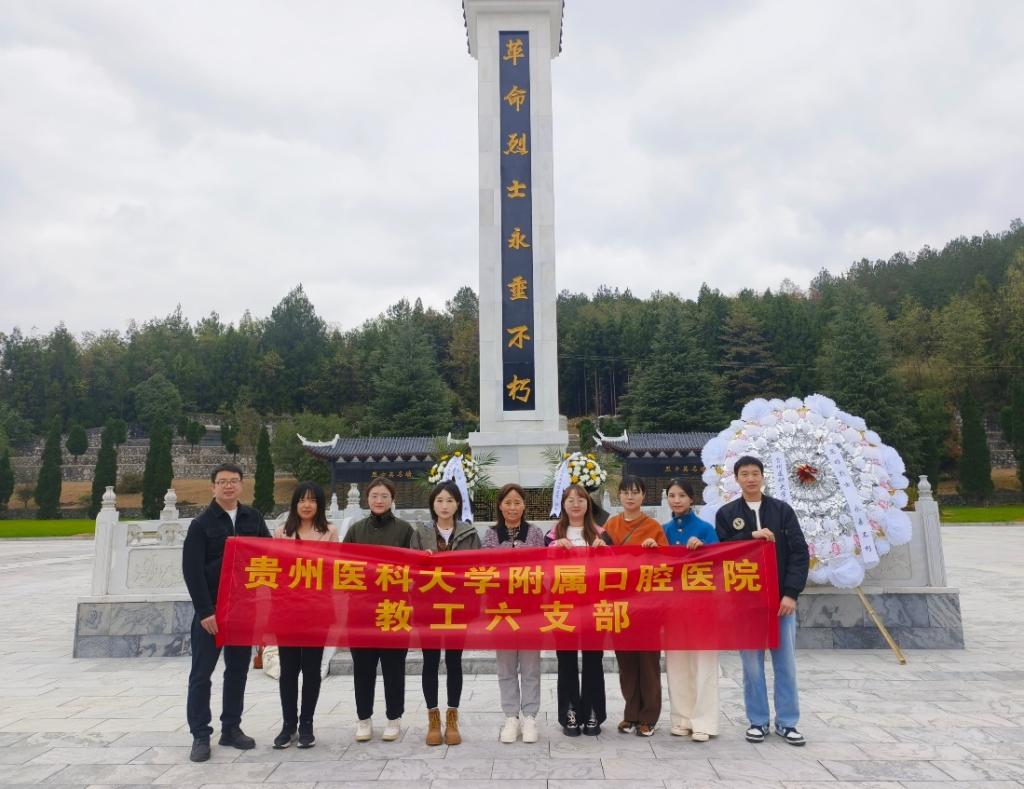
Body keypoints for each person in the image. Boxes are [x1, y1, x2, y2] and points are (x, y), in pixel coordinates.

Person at [715, 455, 809, 747]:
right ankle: (757, 721)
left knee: (785, 664)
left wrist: (791, 593)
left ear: (763, 476)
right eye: (744, 474)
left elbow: (799, 553)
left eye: (755, 473)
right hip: (746, 605)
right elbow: (721, 551)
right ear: (736, 479)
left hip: (781, 603)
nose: (750, 478)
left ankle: (787, 722)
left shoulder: (782, 511)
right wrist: (750, 535)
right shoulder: (727, 513)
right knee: (752, 666)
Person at [182, 462, 271, 763]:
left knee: (237, 671)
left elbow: (269, 554)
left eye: (234, 480)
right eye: (222, 481)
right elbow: (192, 571)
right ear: (213, 487)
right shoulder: (201, 524)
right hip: (211, 613)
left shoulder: (253, 518)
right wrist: (205, 611)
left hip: (242, 609)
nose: (228, 486)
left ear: (242, 485)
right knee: (201, 674)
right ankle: (200, 735)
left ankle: (231, 728)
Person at [410, 480, 481, 746]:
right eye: (439, 500)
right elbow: (409, 570)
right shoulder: (421, 533)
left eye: (449, 500)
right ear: (432, 504)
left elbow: (479, 570)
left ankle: (452, 718)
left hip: (457, 608)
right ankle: (433, 718)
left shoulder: (469, 533)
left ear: (458, 504)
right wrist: (421, 560)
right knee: (430, 662)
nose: (444, 505)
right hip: (427, 608)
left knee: (454, 661)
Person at [343, 477, 414, 743]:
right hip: (361, 611)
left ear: (392, 499)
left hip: (394, 609)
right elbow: (342, 566)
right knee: (363, 668)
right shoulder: (355, 530)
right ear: (367, 499)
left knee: (394, 668)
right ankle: (364, 718)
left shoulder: (405, 530)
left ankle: (394, 718)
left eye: (384, 496)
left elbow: (414, 569)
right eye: (374, 496)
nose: (379, 500)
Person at [272, 482, 339, 750]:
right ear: (295, 504)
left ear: (319, 505)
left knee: (311, 670)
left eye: (312, 500)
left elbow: (334, 569)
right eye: (302, 500)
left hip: (317, 610)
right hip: (287, 610)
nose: (306, 505)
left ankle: (306, 724)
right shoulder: (281, 532)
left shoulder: (330, 532)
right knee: (288, 670)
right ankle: (288, 725)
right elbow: (275, 570)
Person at [602, 475, 667, 737]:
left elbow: (667, 566)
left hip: (647, 605)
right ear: (618, 495)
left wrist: (655, 549)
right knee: (626, 662)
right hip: (619, 604)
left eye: (635, 492)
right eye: (626, 492)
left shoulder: (653, 527)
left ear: (643, 496)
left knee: (648, 662)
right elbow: (602, 562)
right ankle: (631, 714)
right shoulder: (611, 525)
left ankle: (649, 717)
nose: (630, 497)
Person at [546, 484, 612, 737]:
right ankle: (570, 712)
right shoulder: (552, 536)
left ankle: (594, 711)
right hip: (563, 607)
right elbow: (541, 573)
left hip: (594, 607)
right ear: (563, 505)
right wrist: (552, 552)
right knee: (566, 661)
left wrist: (606, 553)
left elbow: (616, 571)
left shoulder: (601, 534)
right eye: (570, 500)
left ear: (588, 504)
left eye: (580, 499)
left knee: (594, 659)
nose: (575, 504)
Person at [482, 483, 545, 744]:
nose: (512, 507)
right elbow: (487, 568)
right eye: (507, 502)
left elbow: (543, 568)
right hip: (501, 610)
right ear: (500, 506)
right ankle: (511, 717)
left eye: (517, 502)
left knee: (531, 666)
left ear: (524, 505)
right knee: (506, 666)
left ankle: (529, 717)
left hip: (530, 610)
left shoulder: (535, 533)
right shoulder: (490, 534)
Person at [661, 479, 720, 742]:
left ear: (692, 499)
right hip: (673, 608)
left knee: (704, 664)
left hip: (702, 608)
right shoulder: (662, 531)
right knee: (676, 664)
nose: (676, 500)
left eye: (682, 495)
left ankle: (704, 721)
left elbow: (719, 566)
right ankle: (681, 718)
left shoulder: (706, 530)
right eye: (672, 495)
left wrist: (704, 549)